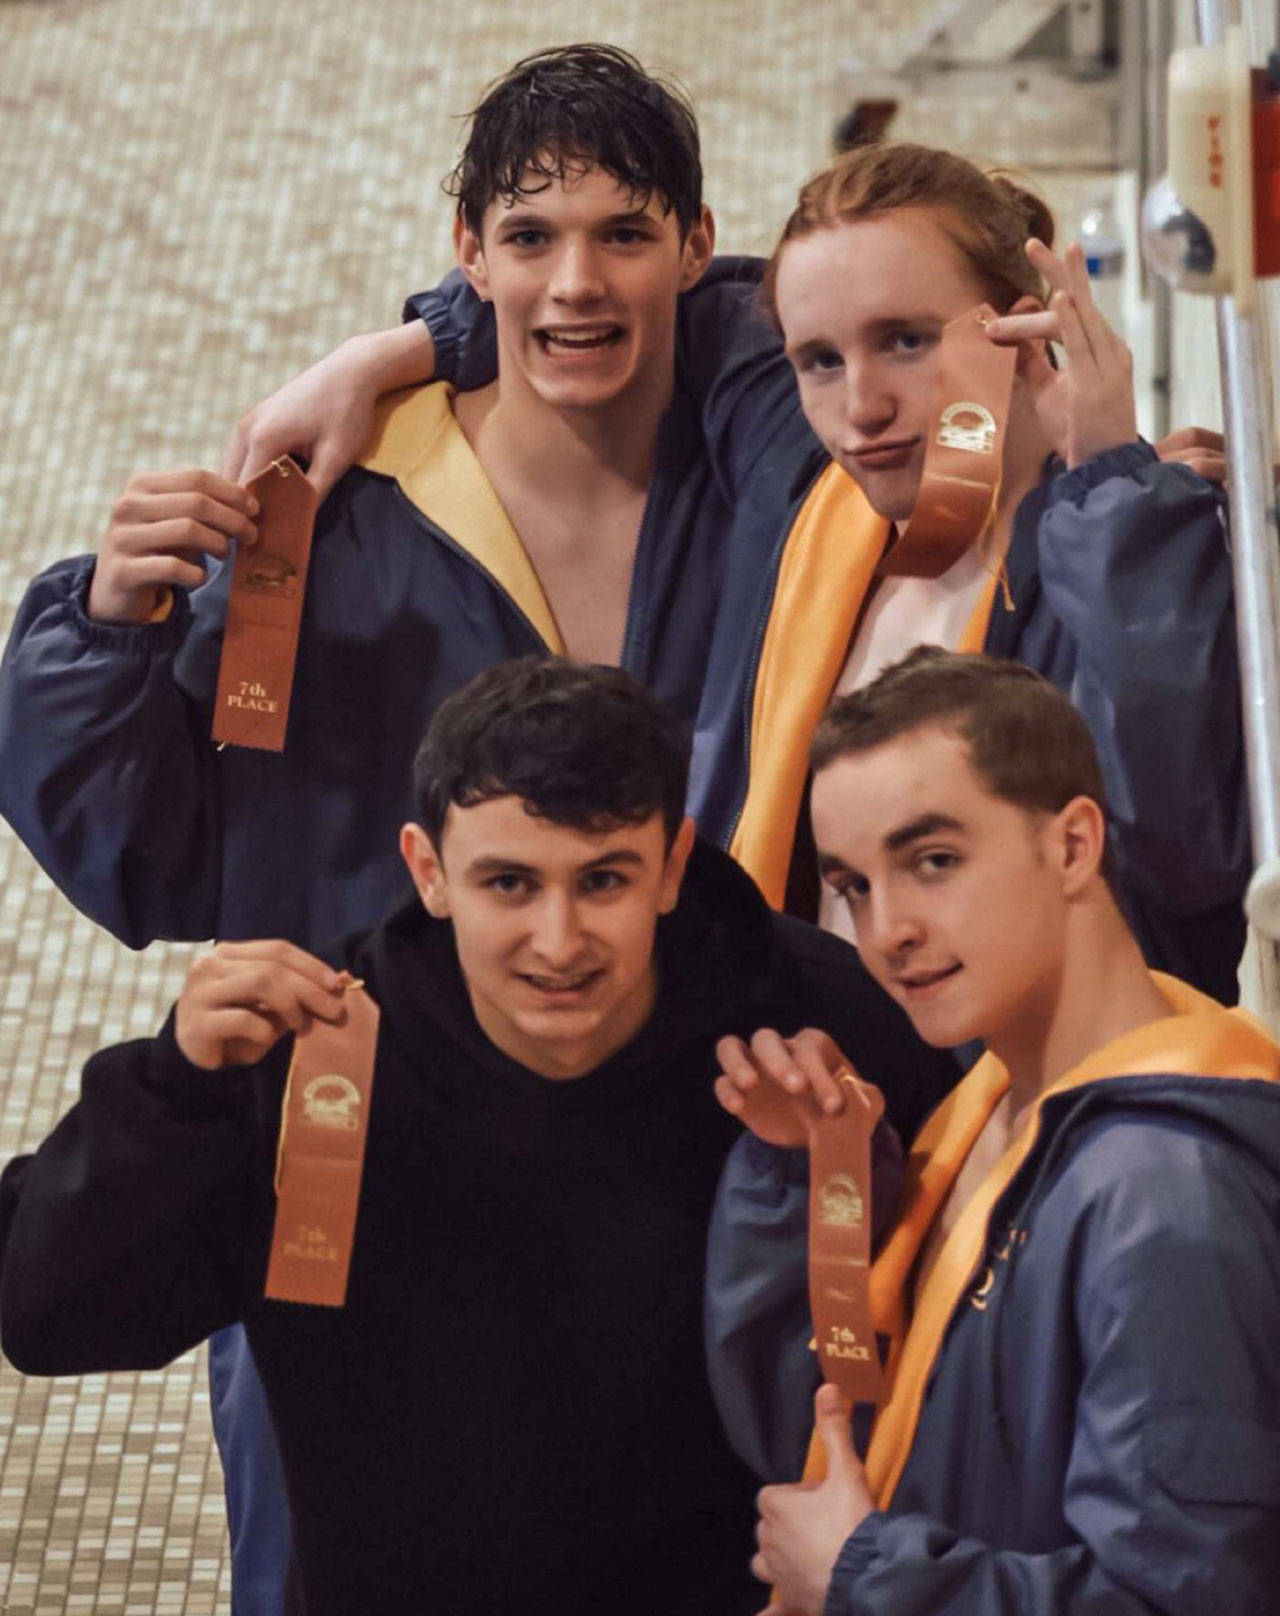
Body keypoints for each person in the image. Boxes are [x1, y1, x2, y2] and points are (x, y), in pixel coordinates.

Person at [0, 45, 755, 1611]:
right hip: (370, 1179)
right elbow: (148, 854)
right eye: (529, 238)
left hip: (686, 1154)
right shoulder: (338, 517)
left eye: (624, 233)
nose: (576, 283)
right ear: (467, 243)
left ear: (693, 244)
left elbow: (840, 296)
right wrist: (105, 630)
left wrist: (420, 334)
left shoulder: (765, 478)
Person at [0, 658, 954, 1616]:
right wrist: (172, 1091)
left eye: (603, 880)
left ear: (671, 865)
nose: (559, 941)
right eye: (509, 883)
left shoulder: (823, 1031)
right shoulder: (308, 1058)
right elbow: (51, 1318)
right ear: (429, 872)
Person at [236, 143, 1247, 1003]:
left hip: (1031, 1124)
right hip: (808, 1097)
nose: (861, 406)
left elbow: (1189, 856)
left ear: (1027, 330)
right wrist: (389, 353)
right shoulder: (811, 509)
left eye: (905, 341)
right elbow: (647, 298)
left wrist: (1114, 486)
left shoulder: (1126, 562)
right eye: (818, 360)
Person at [711, 647, 1280, 1615]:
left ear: (1073, 844)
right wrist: (814, 1178)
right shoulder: (984, 1112)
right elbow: (824, 1437)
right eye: (854, 886)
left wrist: (865, 1575)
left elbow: (1177, 1599)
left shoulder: (1162, 1186)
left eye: (932, 861)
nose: (886, 929)